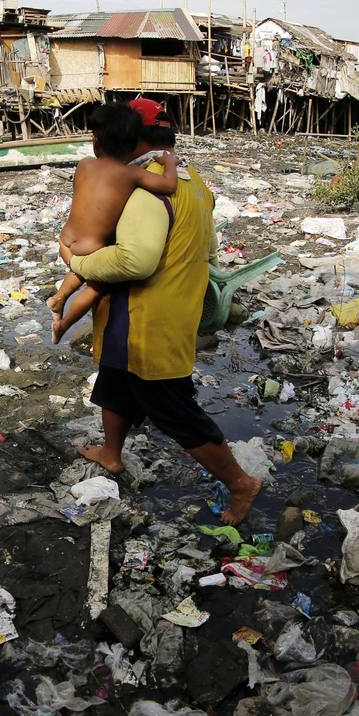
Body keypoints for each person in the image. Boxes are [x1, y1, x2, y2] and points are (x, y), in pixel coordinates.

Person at [65, 97, 261, 525]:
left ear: (133, 137)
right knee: (115, 382)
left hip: (145, 319)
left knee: (172, 408)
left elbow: (136, 261)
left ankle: (241, 483)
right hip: (167, 311)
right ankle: (111, 454)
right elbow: (208, 250)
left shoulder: (141, 189)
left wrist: (79, 264)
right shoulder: (194, 183)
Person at [47, 103, 179, 344]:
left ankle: (61, 296)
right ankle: (64, 324)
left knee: (77, 269)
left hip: (66, 241)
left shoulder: (84, 165)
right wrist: (170, 164)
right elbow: (169, 186)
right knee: (97, 287)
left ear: (96, 142)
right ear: (134, 146)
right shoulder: (131, 175)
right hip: (91, 248)